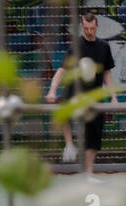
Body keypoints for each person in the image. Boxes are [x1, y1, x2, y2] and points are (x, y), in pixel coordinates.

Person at [46, 10, 117, 177]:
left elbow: (107, 73)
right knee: (63, 110)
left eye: (92, 28)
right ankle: (69, 144)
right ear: (81, 26)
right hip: (74, 92)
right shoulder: (76, 47)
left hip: (94, 95)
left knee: (94, 135)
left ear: (97, 26)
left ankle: (89, 172)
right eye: (86, 28)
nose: (89, 31)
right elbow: (62, 70)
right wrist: (52, 90)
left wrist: (113, 97)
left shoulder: (104, 47)